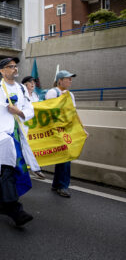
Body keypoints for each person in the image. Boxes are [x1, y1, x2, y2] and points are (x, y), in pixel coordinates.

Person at [0, 57, 34, 227]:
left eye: (15, 66)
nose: (14, 69)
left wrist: (19, 112)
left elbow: (30, 109)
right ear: (2, 71)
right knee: (7, 169)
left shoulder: (21, 88)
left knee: (8, 170)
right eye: (10, 66)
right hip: (2, 135)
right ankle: (15, 210)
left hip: (17, 135)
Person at [45, 70, 82, 198]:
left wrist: (82, 128)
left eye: (71, 79)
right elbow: (48, 111)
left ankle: (57, 184)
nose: (70, 81)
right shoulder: (52, 92)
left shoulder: (70, 95)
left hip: (66, 130)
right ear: (60, 80)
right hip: (56, 129)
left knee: (64, 156)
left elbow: (74, 113)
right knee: (66, 156)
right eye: (68, 79)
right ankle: (62, 186)